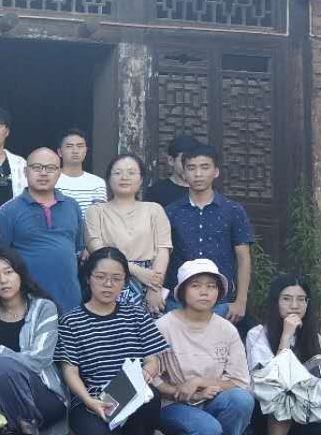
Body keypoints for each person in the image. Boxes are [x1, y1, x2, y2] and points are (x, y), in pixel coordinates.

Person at [55, 247, 169, 435]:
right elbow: (70, 371)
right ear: (88, 278)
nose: (108, 284)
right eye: (101, 277)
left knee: (151, 395)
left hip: (130, 393)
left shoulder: (136, 314)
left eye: (116, 278)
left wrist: (148, 371)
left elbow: (153, 360)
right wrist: (89, 401)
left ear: (125, 282)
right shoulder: (71, 321)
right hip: (92, 400)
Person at [154, 259, 254, 435]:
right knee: (207, 431)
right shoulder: (164, 326)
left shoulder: (226, 329)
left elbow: (240, 381)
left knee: (242, 399)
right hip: (173, 404)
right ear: (182, 291)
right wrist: (182, 391)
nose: (204, 292)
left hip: (212, 401)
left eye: (211, 286)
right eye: (196, 285)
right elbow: (153, 378)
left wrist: (199, 383)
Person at [0, 248, 66, 435]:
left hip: (44, 398)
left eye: (9, 272)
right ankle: (17, 434)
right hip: (2, 399)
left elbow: (39, 359)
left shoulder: (44, 308)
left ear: (20, 273)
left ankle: (25, 434)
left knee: (2, 365)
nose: (3, 280)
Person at [245, 274, 321, 435]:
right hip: (264, 408)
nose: (294, 305)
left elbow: (320, 382)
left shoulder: (315, 339)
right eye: (286, 299)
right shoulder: (258, 334)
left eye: (301, 299)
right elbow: (269, 378)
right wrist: (286, 336)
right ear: (275, 301)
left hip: (304, 408)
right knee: (285, 390)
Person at [165, 144, 253, 322]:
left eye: (204, 167)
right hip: (178, 301)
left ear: (216, 172)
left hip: (221, 302)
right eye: (191, 168)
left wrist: (241, 301)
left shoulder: (233, 210)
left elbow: (243, 258)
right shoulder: (170, 212)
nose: (198, 174)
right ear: (184, 173)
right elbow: (162, 255)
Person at [0, 147, 84, 314]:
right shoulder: (8, 212)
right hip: (28, 304)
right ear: (25, 171)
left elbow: (77, 249)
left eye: (50, 168)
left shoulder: (72, 206)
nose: (43, 173)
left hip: (70, 302)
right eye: (37, 167)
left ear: (59, 173)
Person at [85, 152, 172, 313]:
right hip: (109, 278)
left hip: (149, 279)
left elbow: (163, 249)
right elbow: (96, 247)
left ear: (141, 179)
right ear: (108, 179)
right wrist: (137, 271)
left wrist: (154, 287)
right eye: (118, 173)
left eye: (131, 172)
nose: (124, 177)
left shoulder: (154, 209)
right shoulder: (96, 211)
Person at [54, 129, 107, 209]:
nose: (75, 151)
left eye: (80, 146)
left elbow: (100, 214)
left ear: (86, 151)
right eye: (69, 146)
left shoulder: (97, 183)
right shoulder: (52, 180)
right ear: (59, 152)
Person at [143, 133, 199, 207]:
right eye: (184, 161)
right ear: (171, 160)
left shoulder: (207, 190)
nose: (190, 166)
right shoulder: (156, 192)